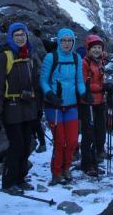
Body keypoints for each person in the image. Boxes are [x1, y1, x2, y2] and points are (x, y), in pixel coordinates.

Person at [0, 22, 40, 191]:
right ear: (11, 37)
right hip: (11, 107)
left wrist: (38, 108)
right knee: (16, 145)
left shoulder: (29, 55)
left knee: (26, 144)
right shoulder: (4, 56)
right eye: (16, 35)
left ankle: (21, 179)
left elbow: (35, 83)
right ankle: (9, 182)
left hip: (27, 107)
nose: (20, 38)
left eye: (22, 35)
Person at [40, 28, 86, 185]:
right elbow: (43, 81)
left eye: (69, 40)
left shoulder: (76, 58)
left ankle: (66, 169)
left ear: (73, 42)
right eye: (63, 40)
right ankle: (56, 172)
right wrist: (50, 95)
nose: (67, 43)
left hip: (71, 105)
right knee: (60, 141)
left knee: (72, 141)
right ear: (59, 41)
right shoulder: (50, 58)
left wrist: (84, 93)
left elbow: (79, 81)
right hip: (54, 107)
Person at [79, 34, 113, 177]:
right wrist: (103, 87)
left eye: (99, 48)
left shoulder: (99, 62)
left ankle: (97, 155)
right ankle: (87, 164)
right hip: (87, 102)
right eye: (94, 47)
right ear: (88, 49)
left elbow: (99, 80)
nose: (96, 50)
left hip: (99, 101)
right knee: (88, 134)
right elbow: (84, 83)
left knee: (100, 130)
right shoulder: (84, 63)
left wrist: (106, 90)